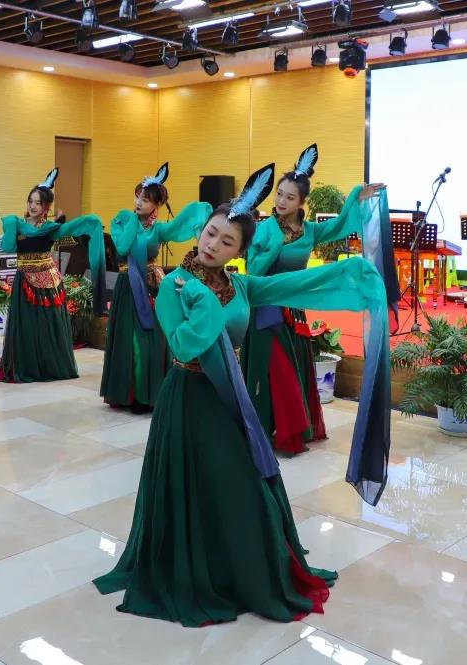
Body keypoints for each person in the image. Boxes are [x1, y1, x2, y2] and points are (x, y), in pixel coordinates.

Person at [94, 163, 394, 627]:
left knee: (245, 481)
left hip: (230, 398)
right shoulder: (175, 285)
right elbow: (183, 345)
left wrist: (352, 274)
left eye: (227, 241)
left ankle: (243, 565)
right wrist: (202, 303)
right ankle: (199, 568)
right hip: (189, 398)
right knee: (199, 483)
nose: (213, 244)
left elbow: (296, 284)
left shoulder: (240, 285)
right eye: (211, 234)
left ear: (239, 251)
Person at [242, 144, 385, 455]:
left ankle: (292, 428)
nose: (281, 201)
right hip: (266, 310)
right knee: (276, 369)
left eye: (289, 197)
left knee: (293, 367)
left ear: (301, 202)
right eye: (279, 194)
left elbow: (340, 225)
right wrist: (276, 244)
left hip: (295, 310)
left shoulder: (309, 231)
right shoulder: (264, 230)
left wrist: (358, 195)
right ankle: (268, 431)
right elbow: (253, 270)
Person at [100, 163, 212, 412]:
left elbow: (181, 225)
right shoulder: (122, 219)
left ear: (156, 205)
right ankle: (127, 394)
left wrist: (201, 213)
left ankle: (148, 394)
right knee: (129, 339)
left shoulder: (159, 229)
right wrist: (133, 219)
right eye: (137, 196)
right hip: (127, 285)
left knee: (152, 340)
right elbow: (123, 247)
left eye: (146, 199)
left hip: (151, 284)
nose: (139, 202)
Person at [0, 168, 107, 383]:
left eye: (38, 203)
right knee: (26, 326)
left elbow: (77, 228)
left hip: (48, 281)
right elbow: (8, 247)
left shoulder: (51, 228)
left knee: (48, 325)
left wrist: (91, 222)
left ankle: (51, 366)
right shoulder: (17, 224)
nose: (33, 206)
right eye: (31, 201)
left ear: (46, 207)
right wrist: (10, 226)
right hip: (24, 280)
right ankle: (26, 366)